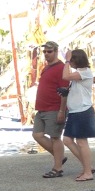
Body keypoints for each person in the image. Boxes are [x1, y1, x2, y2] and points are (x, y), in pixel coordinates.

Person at [32, 41, 70, 179]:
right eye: (45, 52)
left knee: (55, 137)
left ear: (56, 51)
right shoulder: (46, 68)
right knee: (37, 135)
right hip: (41, 108)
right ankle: (59, 157)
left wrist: (61, 110)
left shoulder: (61, 68)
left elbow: (64, 91)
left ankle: (57, 168)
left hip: (54, 108)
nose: (46, 54)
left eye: (49, 51)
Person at [62, 48, 95, 182]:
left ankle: (88, 172)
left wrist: (66, 61)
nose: (70, 62)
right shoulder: (78, 74)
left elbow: (65, 76)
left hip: (82, 111)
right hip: (75, 111)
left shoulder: (85, 72)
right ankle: (87, 166)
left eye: (72, 60)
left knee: (82, 142)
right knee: (67, 140)